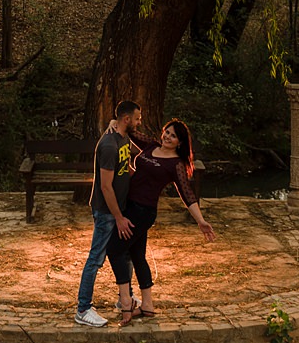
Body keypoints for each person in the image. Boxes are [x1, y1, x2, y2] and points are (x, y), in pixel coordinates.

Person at [107, 117, 215, 321]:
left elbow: (187, 194)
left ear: (180, 143)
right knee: (137, 256)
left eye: (173, 136)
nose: (168, 137)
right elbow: (130, 131)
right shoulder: (151, 145)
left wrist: (200, 221)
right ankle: (147, 305)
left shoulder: (176, 164)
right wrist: (116, 122)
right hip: (129, 205)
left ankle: (126, 302)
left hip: (143, 211)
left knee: (114, 249)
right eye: (167, 132)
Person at [75, 99, 141, 326]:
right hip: (106, 213)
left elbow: (134, 159)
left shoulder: (122, 137)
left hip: (120, 209)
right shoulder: (109, 145)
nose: (139, 122)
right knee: (96, 259)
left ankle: (125, 298)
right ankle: (83, 309)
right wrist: (119, 218)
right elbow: (105, 186)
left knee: (124, 254)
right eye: (137, 119)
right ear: (126, 119)